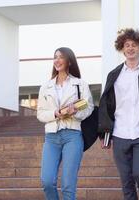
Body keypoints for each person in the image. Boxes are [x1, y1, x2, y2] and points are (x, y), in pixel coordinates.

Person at [98, 28, 139, 200]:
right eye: (126, 45)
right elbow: (106, 105)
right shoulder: (114, 74)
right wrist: (105, 133)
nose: (130, 48)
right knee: (126, 180)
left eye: (134, 45)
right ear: (122, 48)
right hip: (120, 134)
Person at [37, 47, 94, 200]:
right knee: (47, 181)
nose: (57, 60)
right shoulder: (46, 86)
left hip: (73, 135)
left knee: (68, 185)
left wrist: (75, 111)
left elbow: (88, 107)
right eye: (55, 57)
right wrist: (55, 113)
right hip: (52, 137)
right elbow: (40, 113)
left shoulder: (80, 84)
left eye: (61, 57)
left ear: (69, 61)